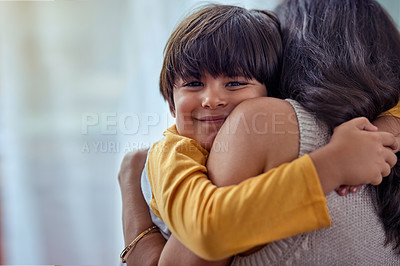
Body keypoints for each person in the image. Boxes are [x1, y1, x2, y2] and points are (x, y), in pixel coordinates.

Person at [118, 2, 400, 265]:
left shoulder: (266, 124)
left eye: (235, 82)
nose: (211, 99)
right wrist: (333, 165)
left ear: (273, 85)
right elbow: (208, 227)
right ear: (170, 102)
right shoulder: (172, 152)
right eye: (193, 83)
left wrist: (387, 126)